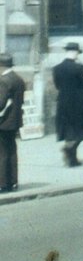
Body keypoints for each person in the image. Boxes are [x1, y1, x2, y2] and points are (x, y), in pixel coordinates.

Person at [53, 41, 83, 167]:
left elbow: (57, 85)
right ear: (76, 52)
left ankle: (72, 159)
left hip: (63, 103)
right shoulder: (79, 68)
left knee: (68, 131)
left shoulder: (57, 68)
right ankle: (69, 149)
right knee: (82, 131)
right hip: (79, 103)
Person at [0, 51, 26, 192]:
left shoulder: (3, 81)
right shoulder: (18, 79)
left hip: (3, 122)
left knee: (2, 153)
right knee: (12, 151)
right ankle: (13, 182)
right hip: (15, 121)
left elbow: (0, 103)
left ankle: (2, 184)